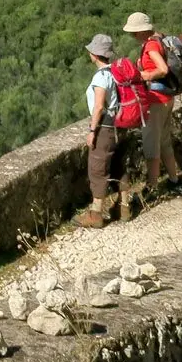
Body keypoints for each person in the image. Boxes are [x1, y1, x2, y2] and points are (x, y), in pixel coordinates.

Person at [124, 12, 182, 203]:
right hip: (167, 97)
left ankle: (151, 187)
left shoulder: (150, 45)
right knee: (164, 140)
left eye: (134, 32)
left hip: (156, 100)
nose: (133, 36)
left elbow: (163, 69)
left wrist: (145, 75)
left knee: (151, 145)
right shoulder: (160, 39)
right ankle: (174, 179)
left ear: (141, 31)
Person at [75, 34, 121, 228]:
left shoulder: (101, 77)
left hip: (106, 127)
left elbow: (99, 107)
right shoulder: (117, 72)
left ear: (94, 54)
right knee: (119, 164)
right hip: (120, 125)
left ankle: (96, 215)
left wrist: (92, 131)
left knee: (97, 169)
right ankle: (124, 207)